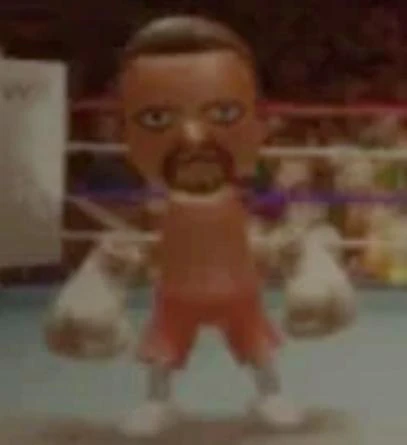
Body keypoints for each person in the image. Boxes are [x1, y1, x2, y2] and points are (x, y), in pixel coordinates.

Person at [45, 16, 356, 437]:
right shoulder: (158, 206)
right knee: (162, 352)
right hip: (177, 291)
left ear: (257, 122)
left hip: (239, 288)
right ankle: (158, 402)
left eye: (223, 112)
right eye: (157, 118)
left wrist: (293, 255)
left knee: (258, 348)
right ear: (127, 131)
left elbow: (262, 235)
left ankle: (270, 395)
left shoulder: (243, 197)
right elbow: (143, 243)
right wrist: (106, 271)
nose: (192, 137)